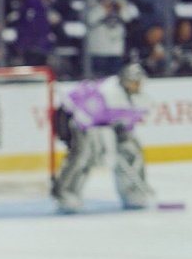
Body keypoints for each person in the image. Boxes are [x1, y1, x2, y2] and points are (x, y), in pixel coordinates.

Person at [51, 62, 150, 214]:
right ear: (125, 81)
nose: (138, 85)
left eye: (140, 82)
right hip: (73, 115)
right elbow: (83, 118)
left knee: (131, 150)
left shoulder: (135, 97)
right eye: (135, 82)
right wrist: (99, 142)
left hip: (99, 120)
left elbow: (126, 126)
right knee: (83, 154)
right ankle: (65, 194)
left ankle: (132, 192)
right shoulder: (107, 93)